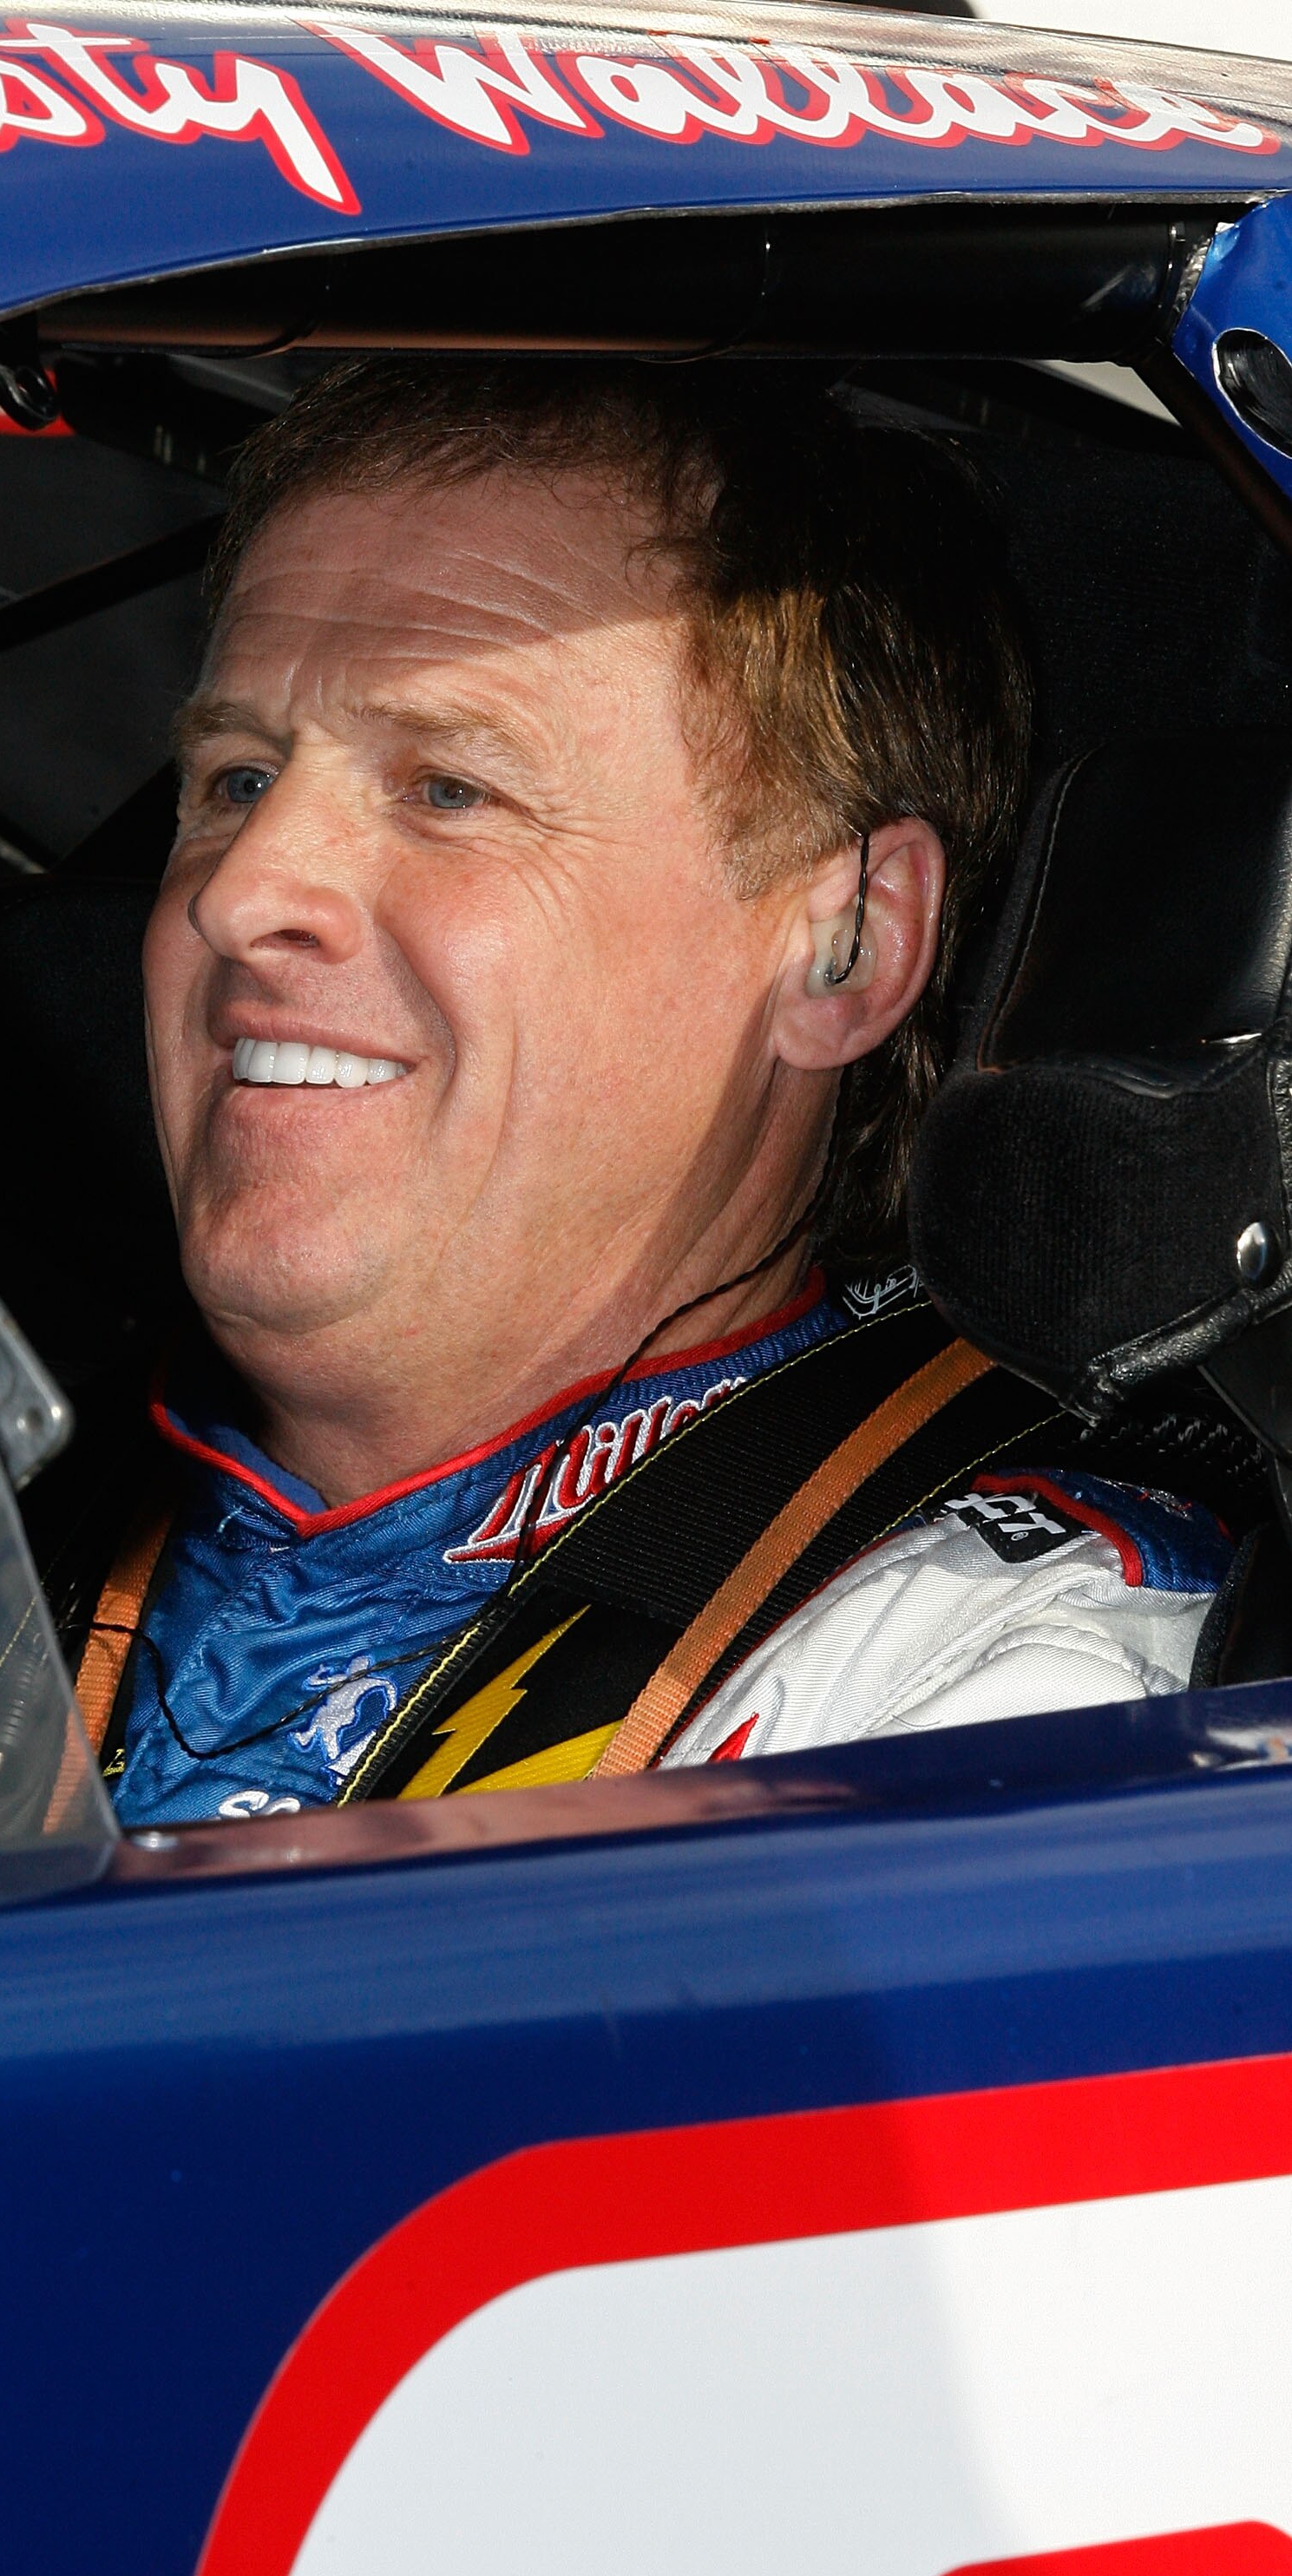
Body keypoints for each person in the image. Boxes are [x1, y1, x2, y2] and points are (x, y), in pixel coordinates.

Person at [69, 360, 1231, 1829]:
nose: (243, 894)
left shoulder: (985, 1688)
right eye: (236, 777)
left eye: (448, 789)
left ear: (849, 945)